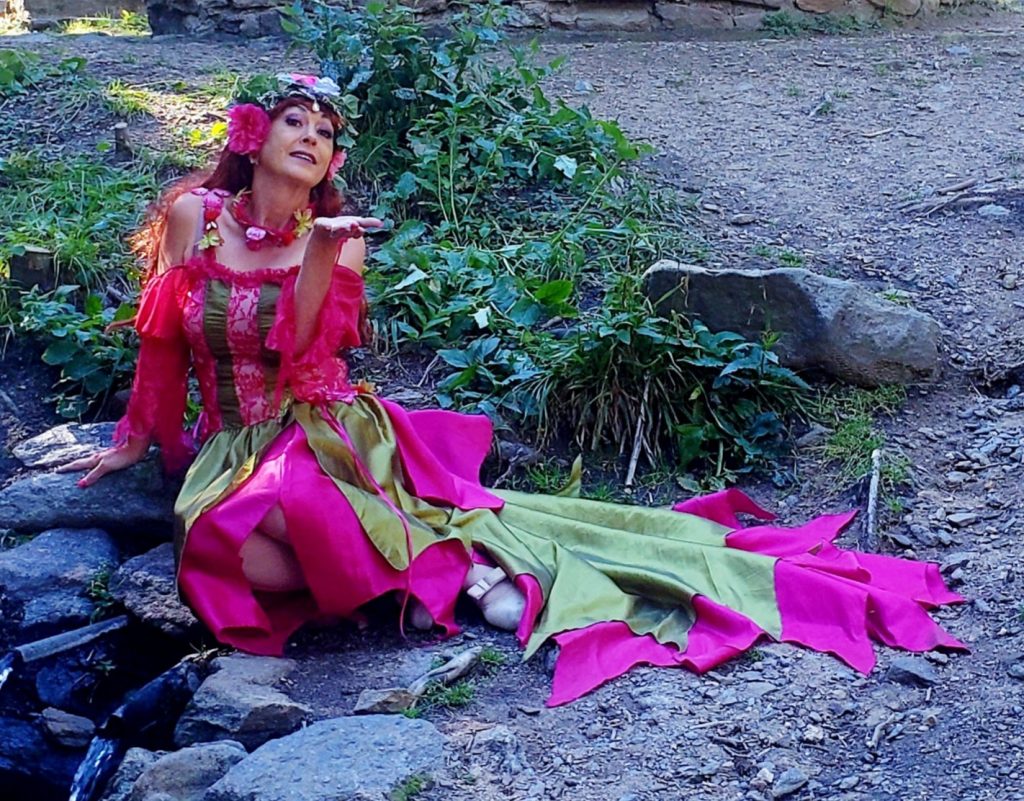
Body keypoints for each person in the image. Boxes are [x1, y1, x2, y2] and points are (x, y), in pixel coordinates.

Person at [59, 74, 964, 706]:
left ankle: (443, 570)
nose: (311, 139)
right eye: (295, 121)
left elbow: (295, 356)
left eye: (325, 134)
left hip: (323, 426)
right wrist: (137, 438)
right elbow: (163, 339)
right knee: (223, 556)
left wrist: (324, 254)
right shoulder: (194, 215)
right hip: (232, 439)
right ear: (252, 134)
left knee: (295, 500)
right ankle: (442, 567)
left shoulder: (340, 238)